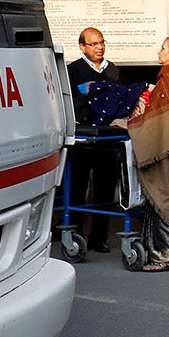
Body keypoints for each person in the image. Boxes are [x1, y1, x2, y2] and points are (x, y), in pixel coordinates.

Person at [117, 36, 169, 272]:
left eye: (163, 49)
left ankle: (166, 256)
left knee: (164, 197)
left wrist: (131, 125)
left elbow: (158, 117)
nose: (159, 53)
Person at [66, 27, 121, 254]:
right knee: (78, 187)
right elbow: (70, 102)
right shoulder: (74, 71)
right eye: (93, 44)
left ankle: (99, 237)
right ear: (82, 47)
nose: (99, 47)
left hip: (107, 137)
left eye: (101, 42)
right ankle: (75, 234)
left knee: (105, 187)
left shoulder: (113, 71)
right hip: (84, 138)